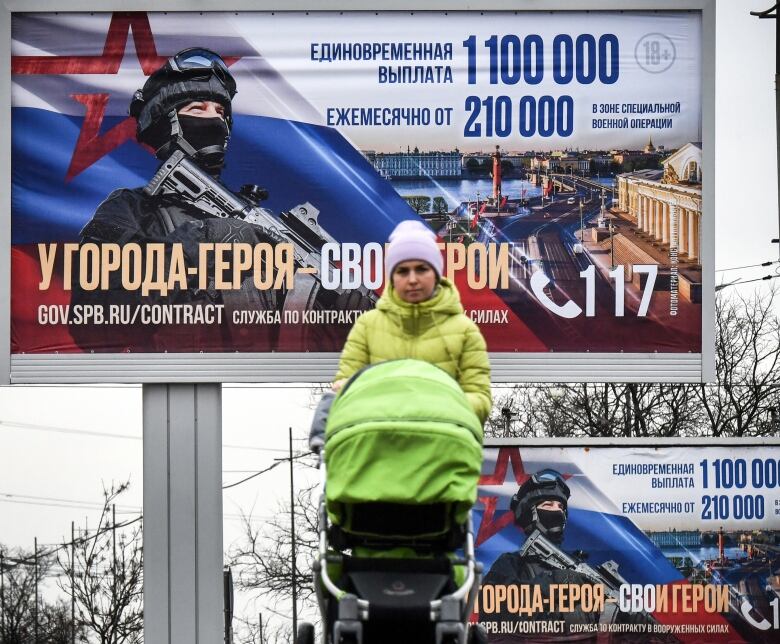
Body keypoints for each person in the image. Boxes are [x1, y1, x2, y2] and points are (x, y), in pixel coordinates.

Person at [70, 48, 370, 351]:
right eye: (198, 109)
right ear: (167, 122)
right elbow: (93, 320)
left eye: (221, 112)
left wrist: (335, 320)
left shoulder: (256, 224)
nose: (215, 119)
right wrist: (198, 244)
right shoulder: (133, 210)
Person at [332, 219, 492, 424]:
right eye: (402, 270)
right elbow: (344, 393)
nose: (413, 279)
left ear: (435, 273)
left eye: (422, 268)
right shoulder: (365, 326)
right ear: (391, 276)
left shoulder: (465, 331)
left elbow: (480, 400)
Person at [481, 470, 667, 643]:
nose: (557, 510)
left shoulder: (581, 570)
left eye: (561, 506)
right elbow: (493, 614)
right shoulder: (512, 564)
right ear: (530, 513)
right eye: (548, 505)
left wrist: (629, 628)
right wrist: (554, 582)